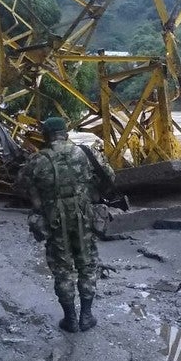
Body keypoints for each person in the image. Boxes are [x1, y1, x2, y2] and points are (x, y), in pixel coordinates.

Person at [18, 117, 114, 332]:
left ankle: (70, 319)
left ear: (46, 136)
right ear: (66, 132)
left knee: (62, 268)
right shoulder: (86, 153)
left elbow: (21, 186)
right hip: (84, 215)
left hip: (54, 219)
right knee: (87, 263)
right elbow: (109, 176)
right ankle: (86, 316)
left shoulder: (37, 160)